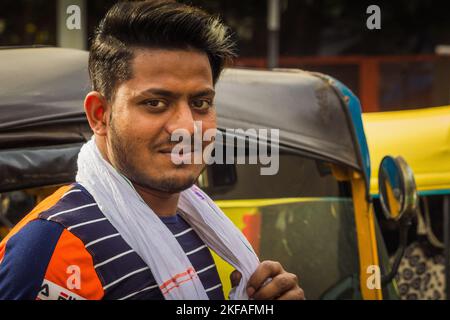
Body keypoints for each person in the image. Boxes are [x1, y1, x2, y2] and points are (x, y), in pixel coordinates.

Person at [0, 0, 304, 300]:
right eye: (155, 103)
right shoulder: (51, 248)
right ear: (99, 115)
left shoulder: (200, 226)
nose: (186, 128)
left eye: (200, 103)